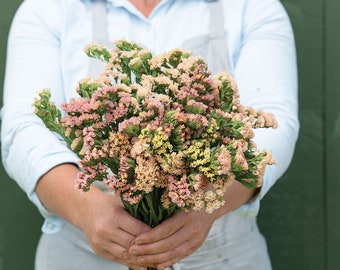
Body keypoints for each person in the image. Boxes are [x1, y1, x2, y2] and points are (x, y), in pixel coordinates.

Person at [1, 0, 299, 269]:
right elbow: (24, 128)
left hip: (223, 254)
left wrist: (209, 203)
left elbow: (274, 121)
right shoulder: (50, 8)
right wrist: (86, 208)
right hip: (82, 254)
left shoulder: (253, 6)